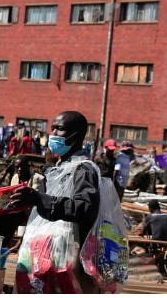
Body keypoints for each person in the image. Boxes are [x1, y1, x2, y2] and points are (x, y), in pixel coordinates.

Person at [9, 111, 101, 292]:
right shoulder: (54, 171)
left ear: (77, 136)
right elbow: (43, 210)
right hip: (44, 252)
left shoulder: (83, 169)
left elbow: (86, 208)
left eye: (60, 129)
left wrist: (38, 198)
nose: (53, 134)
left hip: (68, 257)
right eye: (52, 128)